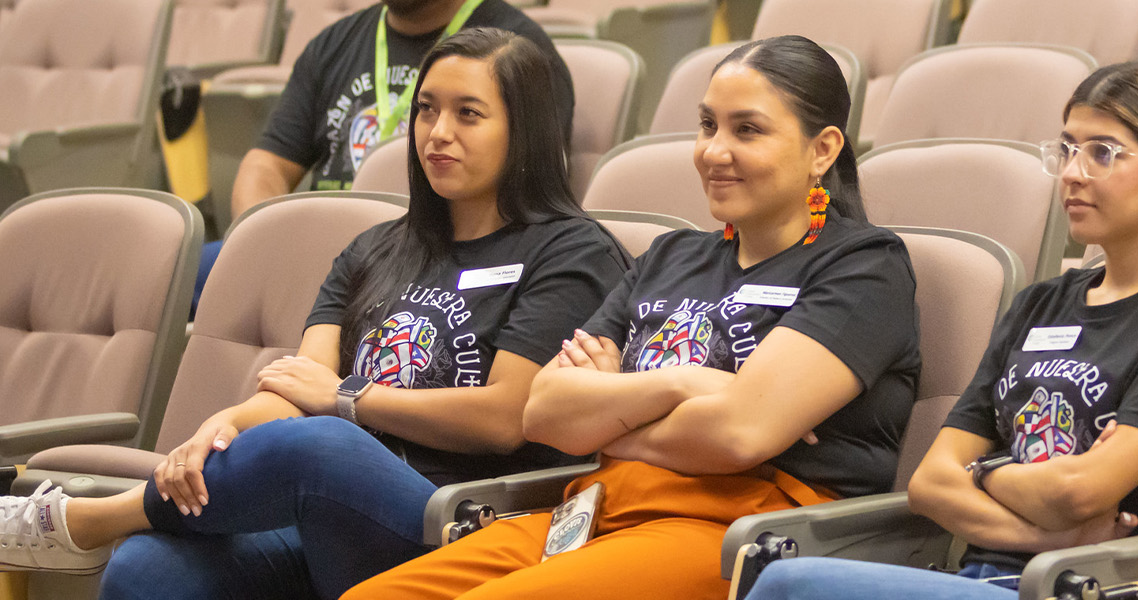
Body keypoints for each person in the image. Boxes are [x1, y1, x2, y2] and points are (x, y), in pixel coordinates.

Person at [0, 28, 627, 600]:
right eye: (427, 110)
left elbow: (504, 418)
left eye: (469, 114)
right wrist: (215, 434)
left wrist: (350, 398)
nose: (438, 133)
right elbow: (297, 391)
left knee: (322, 442)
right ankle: (117, 526)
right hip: (326, 506)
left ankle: (91, 521)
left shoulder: (571, 253)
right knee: (148, 569)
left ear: (525, 129)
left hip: (463, 518)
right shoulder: (375, 248)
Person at [342, 34, 921, 600]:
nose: (714, 151)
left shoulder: (864, 265)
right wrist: (682, 384)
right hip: (595, 509)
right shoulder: (672, 255)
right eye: (707, 125)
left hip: (733, 531)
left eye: (747, 129)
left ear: (822, 149)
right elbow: (543, 412)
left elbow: (739, 433)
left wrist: (614, 411)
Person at [742, 61, 1138, 599]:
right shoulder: (1042, 303)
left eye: (1102, 153)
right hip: (988, 577)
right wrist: (1036, 521)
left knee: (791, 586)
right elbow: (929, 483)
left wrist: (983, 470)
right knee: (786, 578)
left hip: (1091, 589)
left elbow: (1079, 492)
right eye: (1066, 150)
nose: (1072, 173)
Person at [231, 0, 573, 218]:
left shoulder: (516, 49)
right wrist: (260, 237)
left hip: (425, 254)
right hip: (325, 239)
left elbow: (530, 189)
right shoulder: (333, 43)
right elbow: (266, 164)